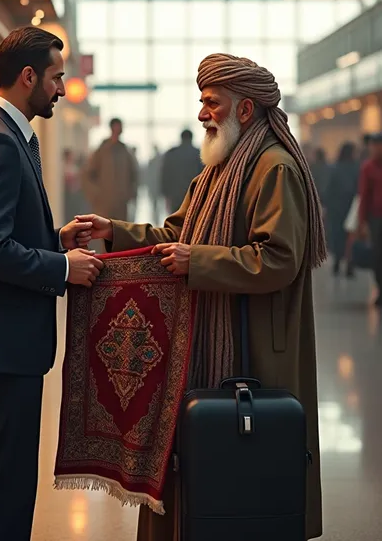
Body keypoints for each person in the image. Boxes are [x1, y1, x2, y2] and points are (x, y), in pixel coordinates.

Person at [75, 53, 326, 540]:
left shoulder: (273, 168)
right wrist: (115, 232)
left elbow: (279, 259)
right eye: (202, 102)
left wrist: (200, 263)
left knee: (248, 477)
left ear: (246, 110)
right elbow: (175, 232)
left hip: (255, 344)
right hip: (210, 333)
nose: (201, 114)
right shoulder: (217, 169)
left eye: (211, 103)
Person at [0, 27, 103, 541]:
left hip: (3, 344)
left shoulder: (2, 133)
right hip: (3, 347)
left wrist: (54, 240)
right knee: (8, 488)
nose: (61, 88)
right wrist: (63, 268)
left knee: (8, 482)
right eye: (56, 78)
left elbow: (0, 234)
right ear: (28, 76)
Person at [82, 118, 138, 221]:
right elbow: (89, 174)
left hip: (121, 202)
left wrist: (130, 194)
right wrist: (95, 194)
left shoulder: (125, 152)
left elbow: (133, 175)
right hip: (104, 202)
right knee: (105, 231)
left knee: (120, 232)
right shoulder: (102, 151)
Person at [326, 142, 359, 276]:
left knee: (337, 235)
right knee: (350, 237)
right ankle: (350, 264)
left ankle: (338, 262)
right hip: (350, 208)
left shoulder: (335, 168)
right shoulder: (356, 168)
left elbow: (329, 189)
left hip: (336, 209)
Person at [359, 133, 382, 305]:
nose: (374, 149)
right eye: (373, 145)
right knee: (378, 255)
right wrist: (362, 223)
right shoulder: (368, 167)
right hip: (376, 218)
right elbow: (364, 196)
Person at [161, 129, 202, 213]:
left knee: (174, 221)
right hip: (193, 195)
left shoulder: (171, 153)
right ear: (191, 138)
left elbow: (165, 174)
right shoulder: (199, 154)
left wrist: (165, 193)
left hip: (175, 195)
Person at [146, 145, 163, 223]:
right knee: (156, 203)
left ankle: (156, 218)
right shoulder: (161, 160)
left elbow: (148, 175)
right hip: (157, 185)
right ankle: (156, 218)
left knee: (155, 204)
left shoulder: (152, 161)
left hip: (154, 185)